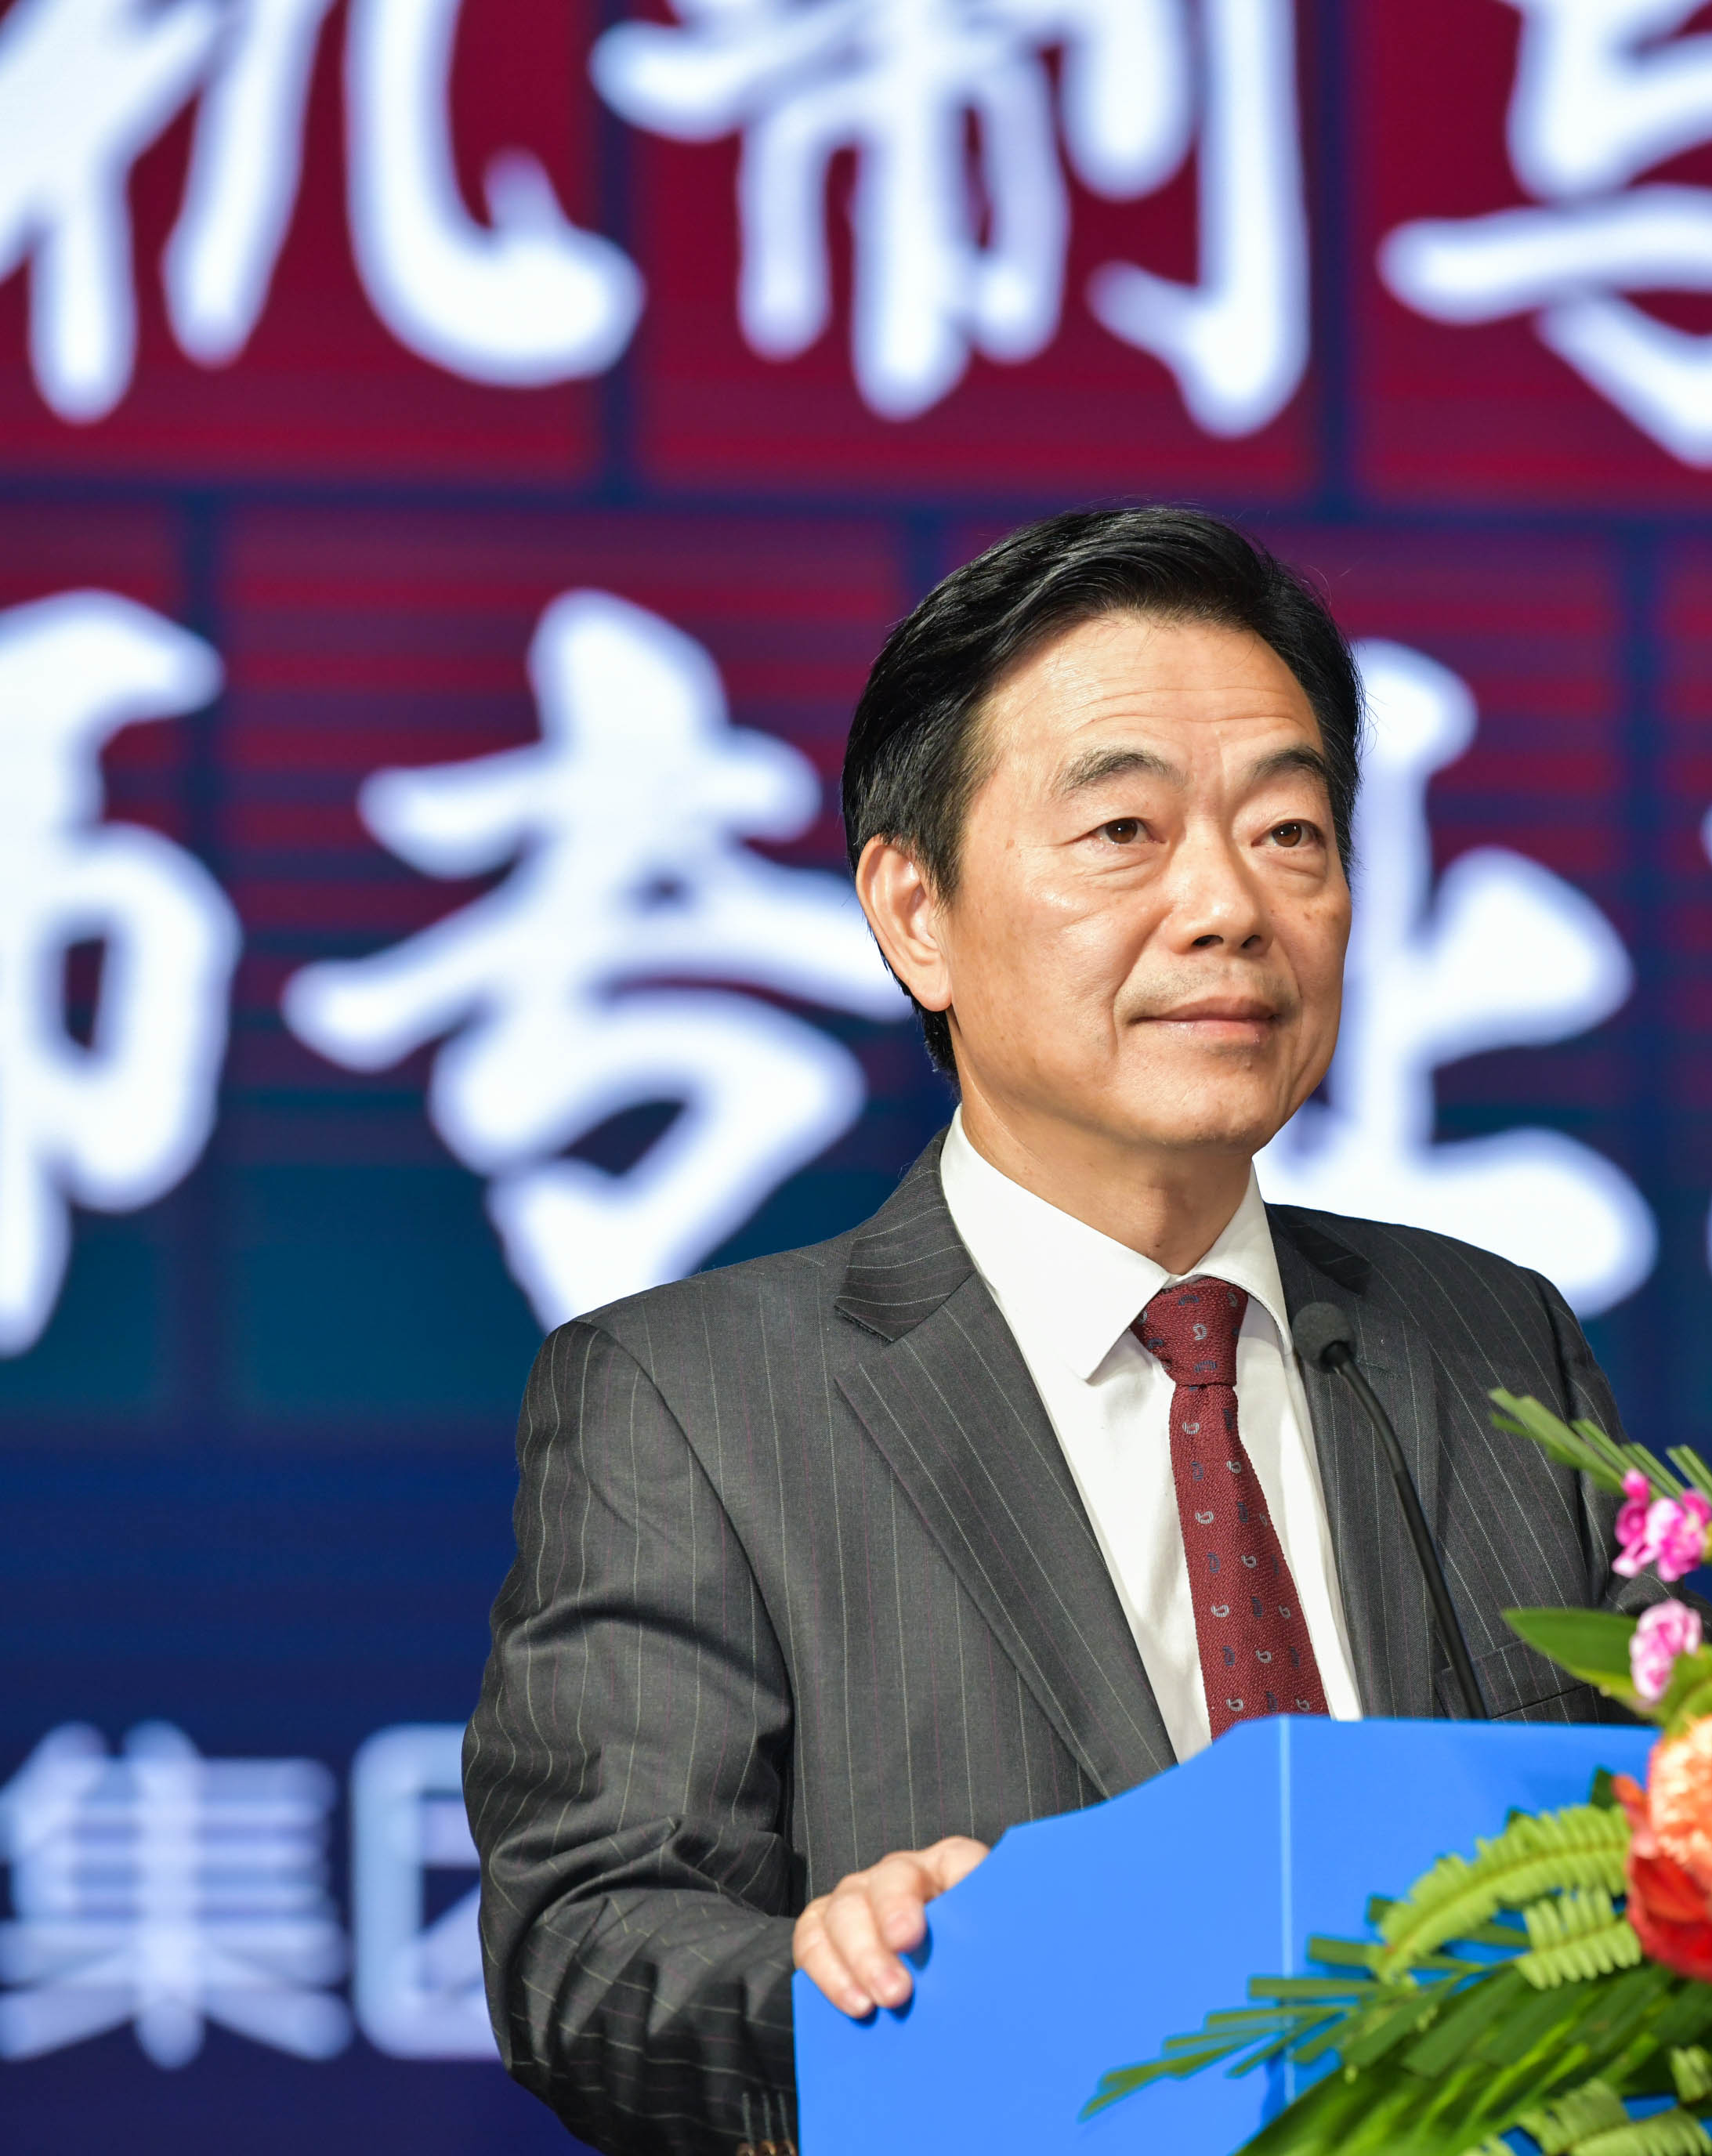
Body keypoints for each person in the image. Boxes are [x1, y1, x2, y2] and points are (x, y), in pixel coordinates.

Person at [464, 508, 1641, 2156]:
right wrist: (847, 1985)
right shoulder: (695, 1401)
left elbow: (1668, 1854)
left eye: (1290, 831)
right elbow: (588, 1945)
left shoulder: (1491, 1340)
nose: (1228, 904)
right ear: (915, 913)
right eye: (1124, 831)